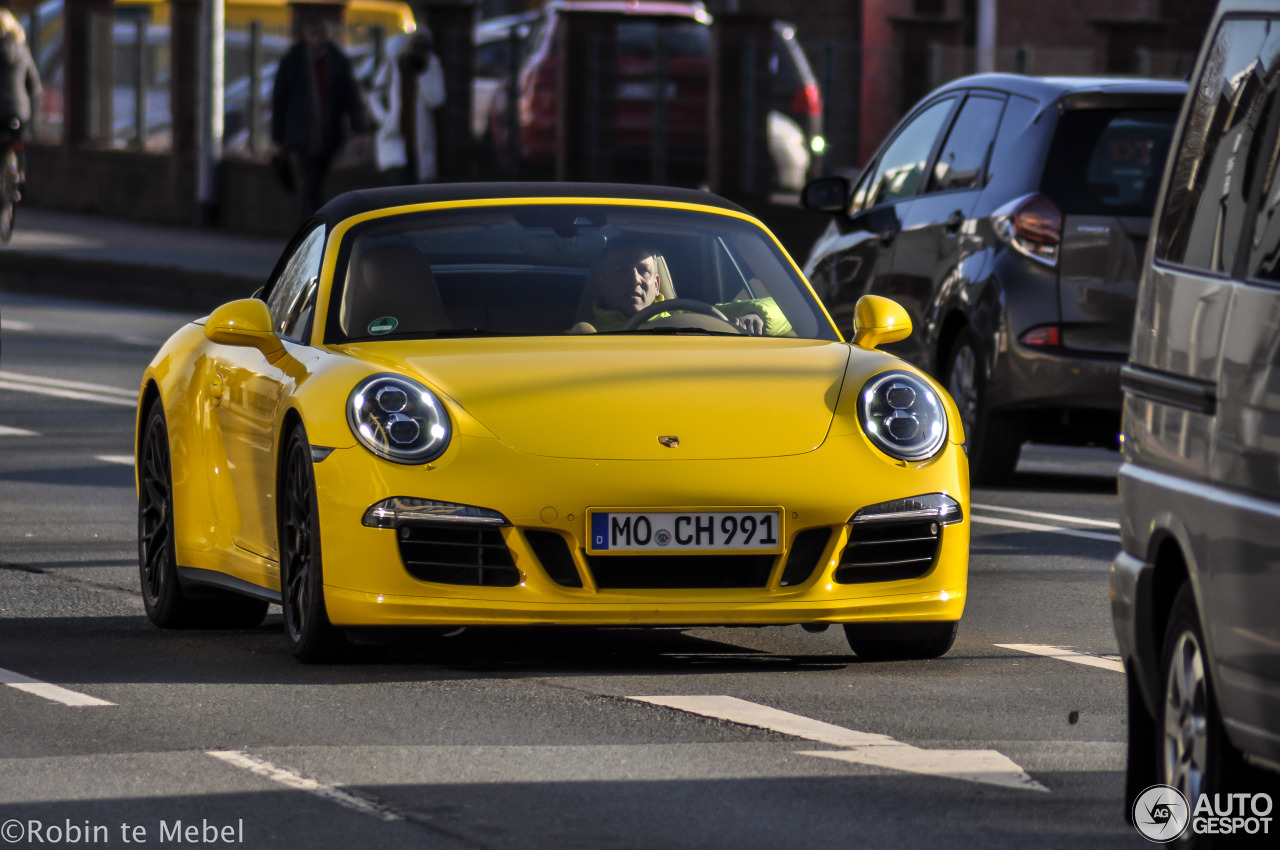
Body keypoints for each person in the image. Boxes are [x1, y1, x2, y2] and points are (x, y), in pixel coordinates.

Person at [581, 236, 792, 336]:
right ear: (600, 285)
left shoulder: (694, 317)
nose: (634, 279)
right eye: (621, 270)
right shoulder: (580, 337)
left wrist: (758, 317)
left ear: (656, 285)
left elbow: (792, 310)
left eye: (642, 270)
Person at [271, 15, 368, 219]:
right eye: (313, 34)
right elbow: (279, 100)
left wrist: (359, 128)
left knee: (316, 180)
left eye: (321, 34)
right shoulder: (292, 62)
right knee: (310, 182)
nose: (317, 39)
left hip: (328, 133)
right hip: (301, 134)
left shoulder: (337, 61)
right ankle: (310, 227)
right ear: (305, 36)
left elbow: (350, 96)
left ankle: (310, 227)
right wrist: (278, 138)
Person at [372, 30, 446, 184]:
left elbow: (436, 100)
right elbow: (374, 95)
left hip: (419, 140)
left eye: (423, 48)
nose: (418, 52)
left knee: (417, 193)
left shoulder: (432, 65)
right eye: (415, 46)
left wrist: (422, 73)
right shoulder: (394, 64)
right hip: (395, 136)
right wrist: (385, 118)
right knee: (398, 188)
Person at [0, 8, 40, 195]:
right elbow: (34, 85)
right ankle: (20, 172)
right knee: (17, 140)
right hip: (19, 110)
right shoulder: (23, 51)